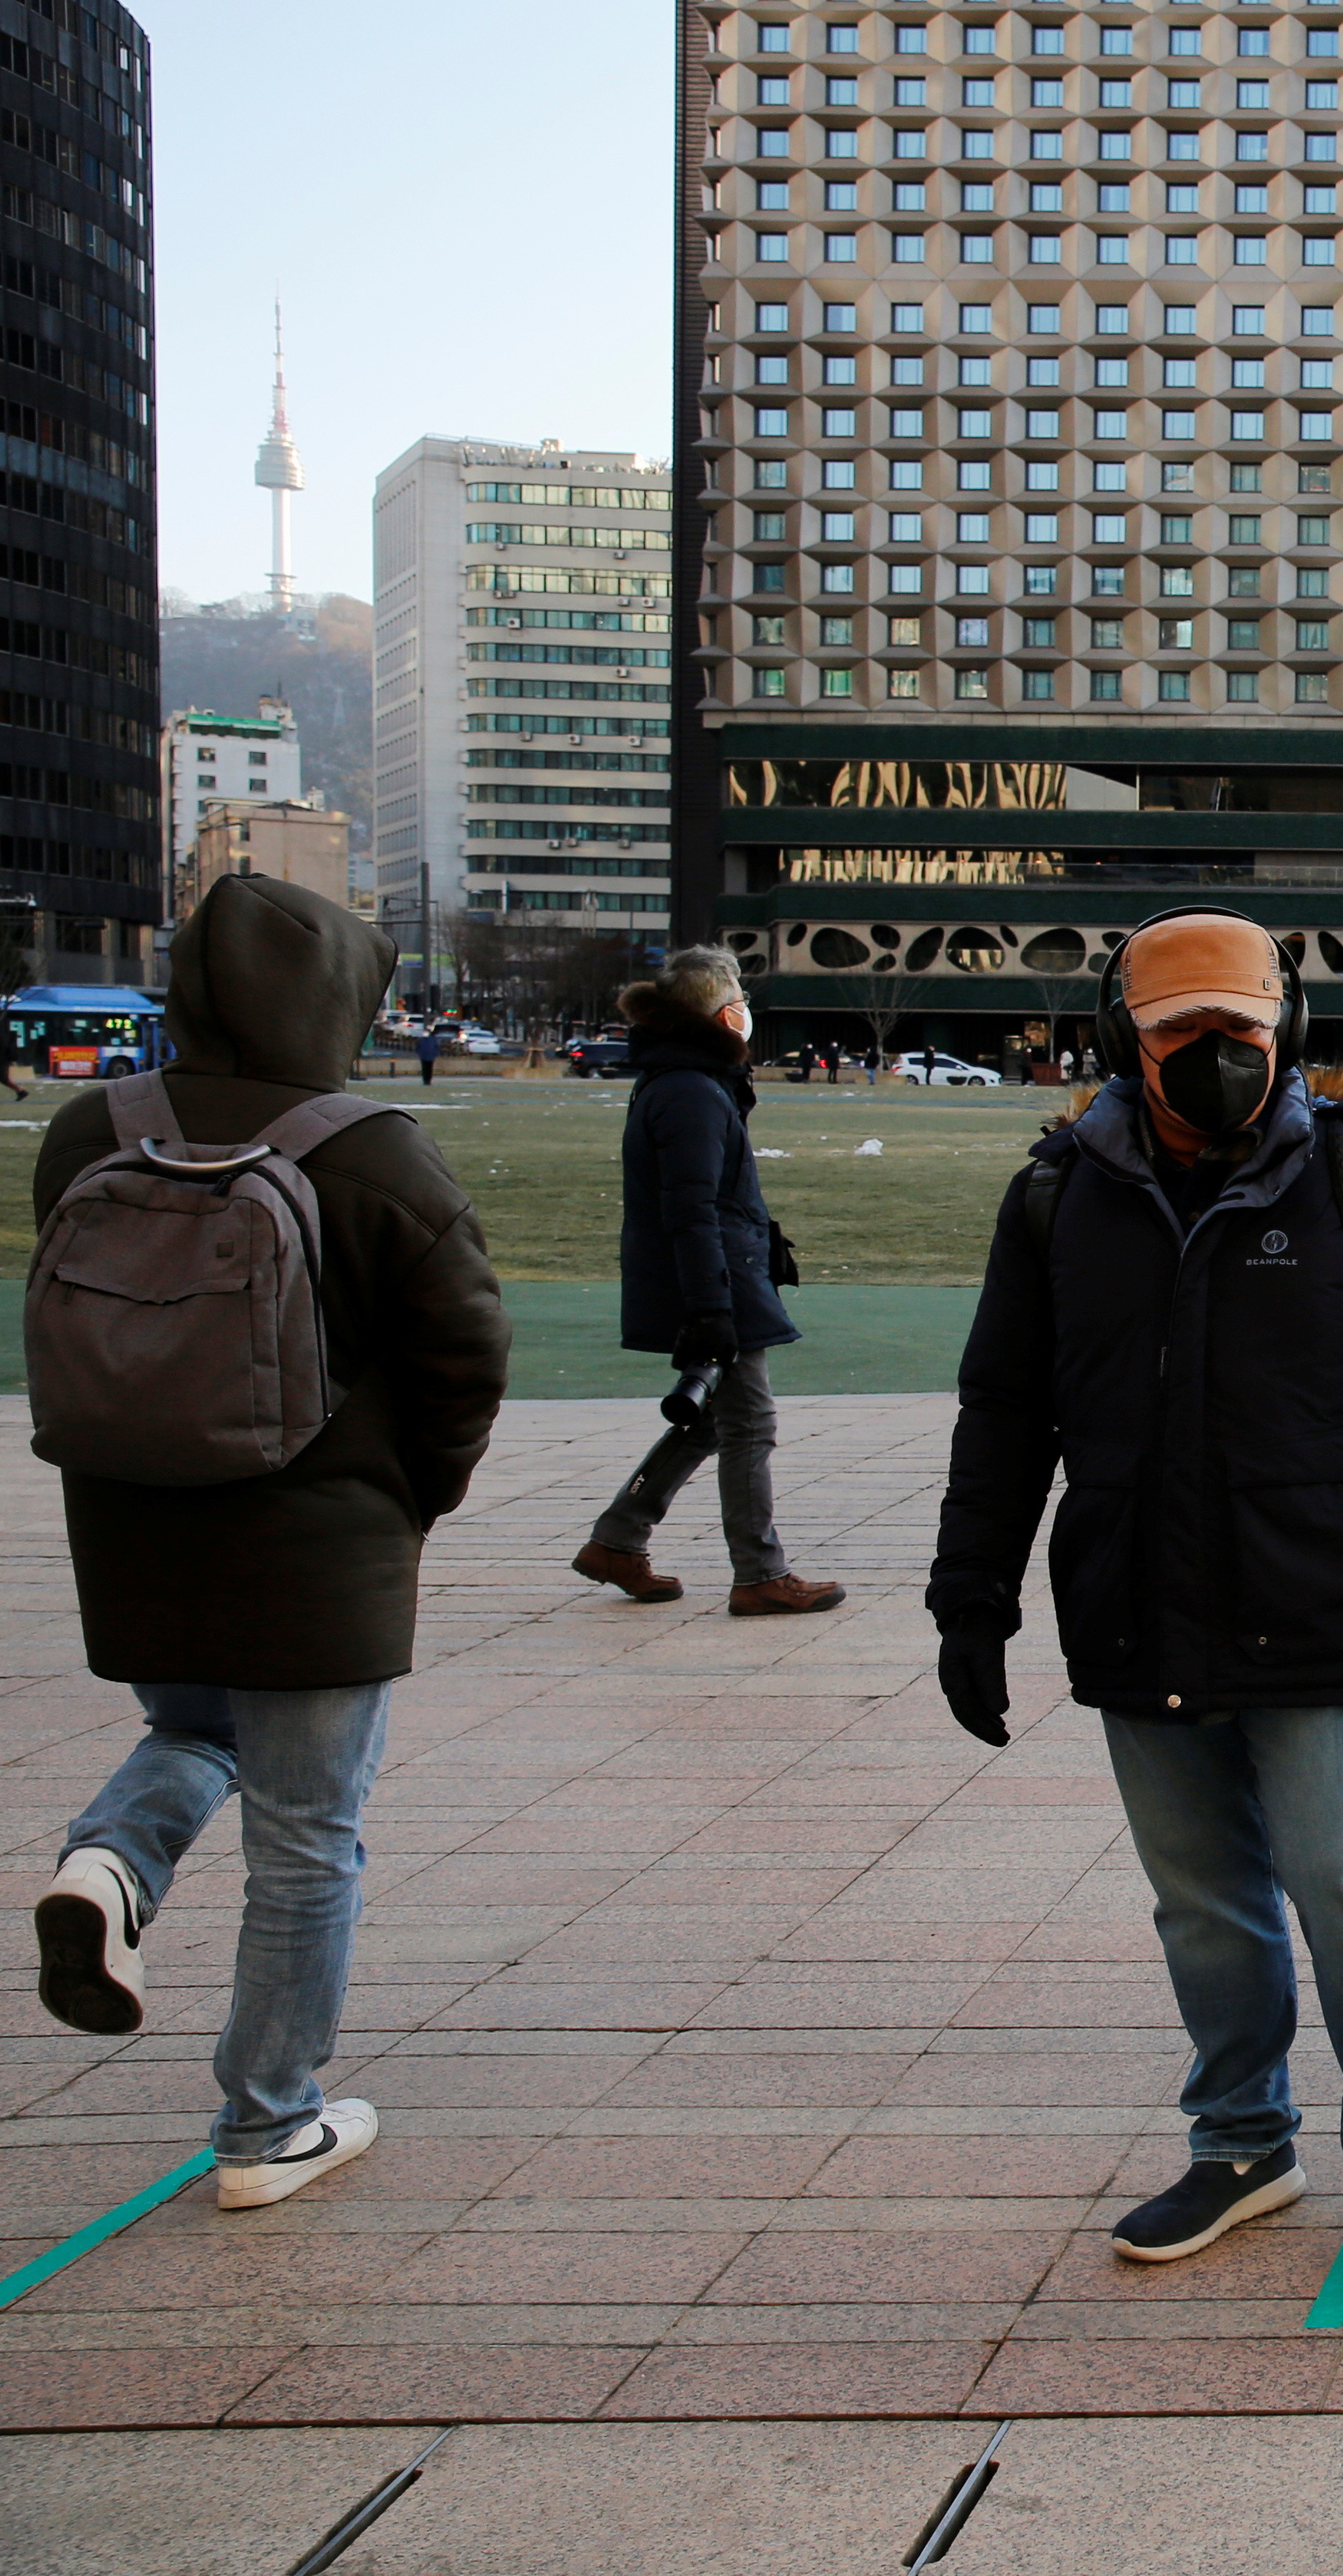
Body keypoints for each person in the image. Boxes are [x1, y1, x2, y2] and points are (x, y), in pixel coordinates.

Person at [923, 907, 1343, 2291]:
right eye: (1182, 1031)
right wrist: (971, 1600)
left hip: (1318, 1603)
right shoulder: (1058, 1194)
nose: (1217, 1056)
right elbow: (1003, 1412)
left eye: (1241, 1031)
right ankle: (1242, 2139)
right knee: (1201, 1901)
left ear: (1284, 1031)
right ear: (1121, 1038)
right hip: (1136, 1601)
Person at [27, 876, 512, 2207]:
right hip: (316, 1538)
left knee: (195, 1727)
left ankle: (112, 1861)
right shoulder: (369, 1150)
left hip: (131, 1515)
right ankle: (266, 2122)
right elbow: (464, 1347)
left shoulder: (88, 1130)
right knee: (309, 1839)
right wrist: (417, 1491)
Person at [571, 945, 844, 1616]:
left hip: (722, 1273)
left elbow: (710, 1201)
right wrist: (712, 1308)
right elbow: (692, 1211)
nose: (748, 1012)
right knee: (749, 1423)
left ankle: (617, 1538)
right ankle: (758, 1573)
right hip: (714, 1283)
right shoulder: (690, 1090)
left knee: (709, 1423)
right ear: (719, 1012)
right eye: (741, 999)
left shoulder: (686, 1080)